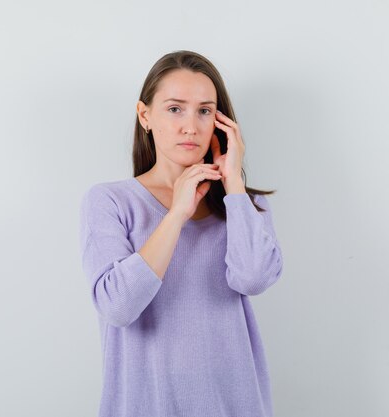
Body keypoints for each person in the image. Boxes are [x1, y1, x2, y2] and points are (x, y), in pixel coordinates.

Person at [78, 50, 283, 417]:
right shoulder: (109, 201)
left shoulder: (244, 208)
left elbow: (253, 278)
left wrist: (234, 183)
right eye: (175, 108)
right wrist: (176, 215)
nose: (191, 125)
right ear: (146, 116)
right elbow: (118, 307)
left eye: (205, 110)